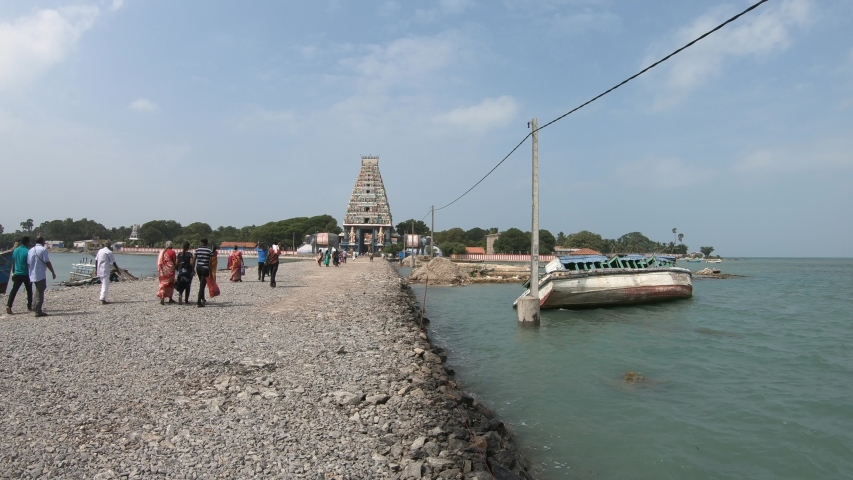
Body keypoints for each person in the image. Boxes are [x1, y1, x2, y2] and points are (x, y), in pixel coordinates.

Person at [27, 236, 56, 317]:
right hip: (40, 274)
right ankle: (38, 311)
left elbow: (28, 264)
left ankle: (35, 307)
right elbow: (47, 262)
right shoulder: (43, 250)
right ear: (42, 242)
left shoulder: (30, 250)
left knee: (37, 291)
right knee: (40, 292)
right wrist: (53, 272)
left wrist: (29, 274)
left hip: (32, 275)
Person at [5, 236, 32, 315]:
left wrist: (13, 273)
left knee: (13, 290)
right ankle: (29, 306)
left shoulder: (16, 250)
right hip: (26, 274)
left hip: (17, 273)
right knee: (29, 290)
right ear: (27, 242)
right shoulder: (28, 251)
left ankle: (9, 305)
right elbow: (29, 264)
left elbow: (13, 262)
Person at [194, 239, 213, 307]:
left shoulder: (197, 250)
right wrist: (211, 272)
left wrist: (193, 269)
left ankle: (203, 299)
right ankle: (199, 302)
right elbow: (210, 262)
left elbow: (194, 259)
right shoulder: (209, 250)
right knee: (202, 285)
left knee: (202, 284)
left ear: (202, 243)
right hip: (205, 269)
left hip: (198, 268)